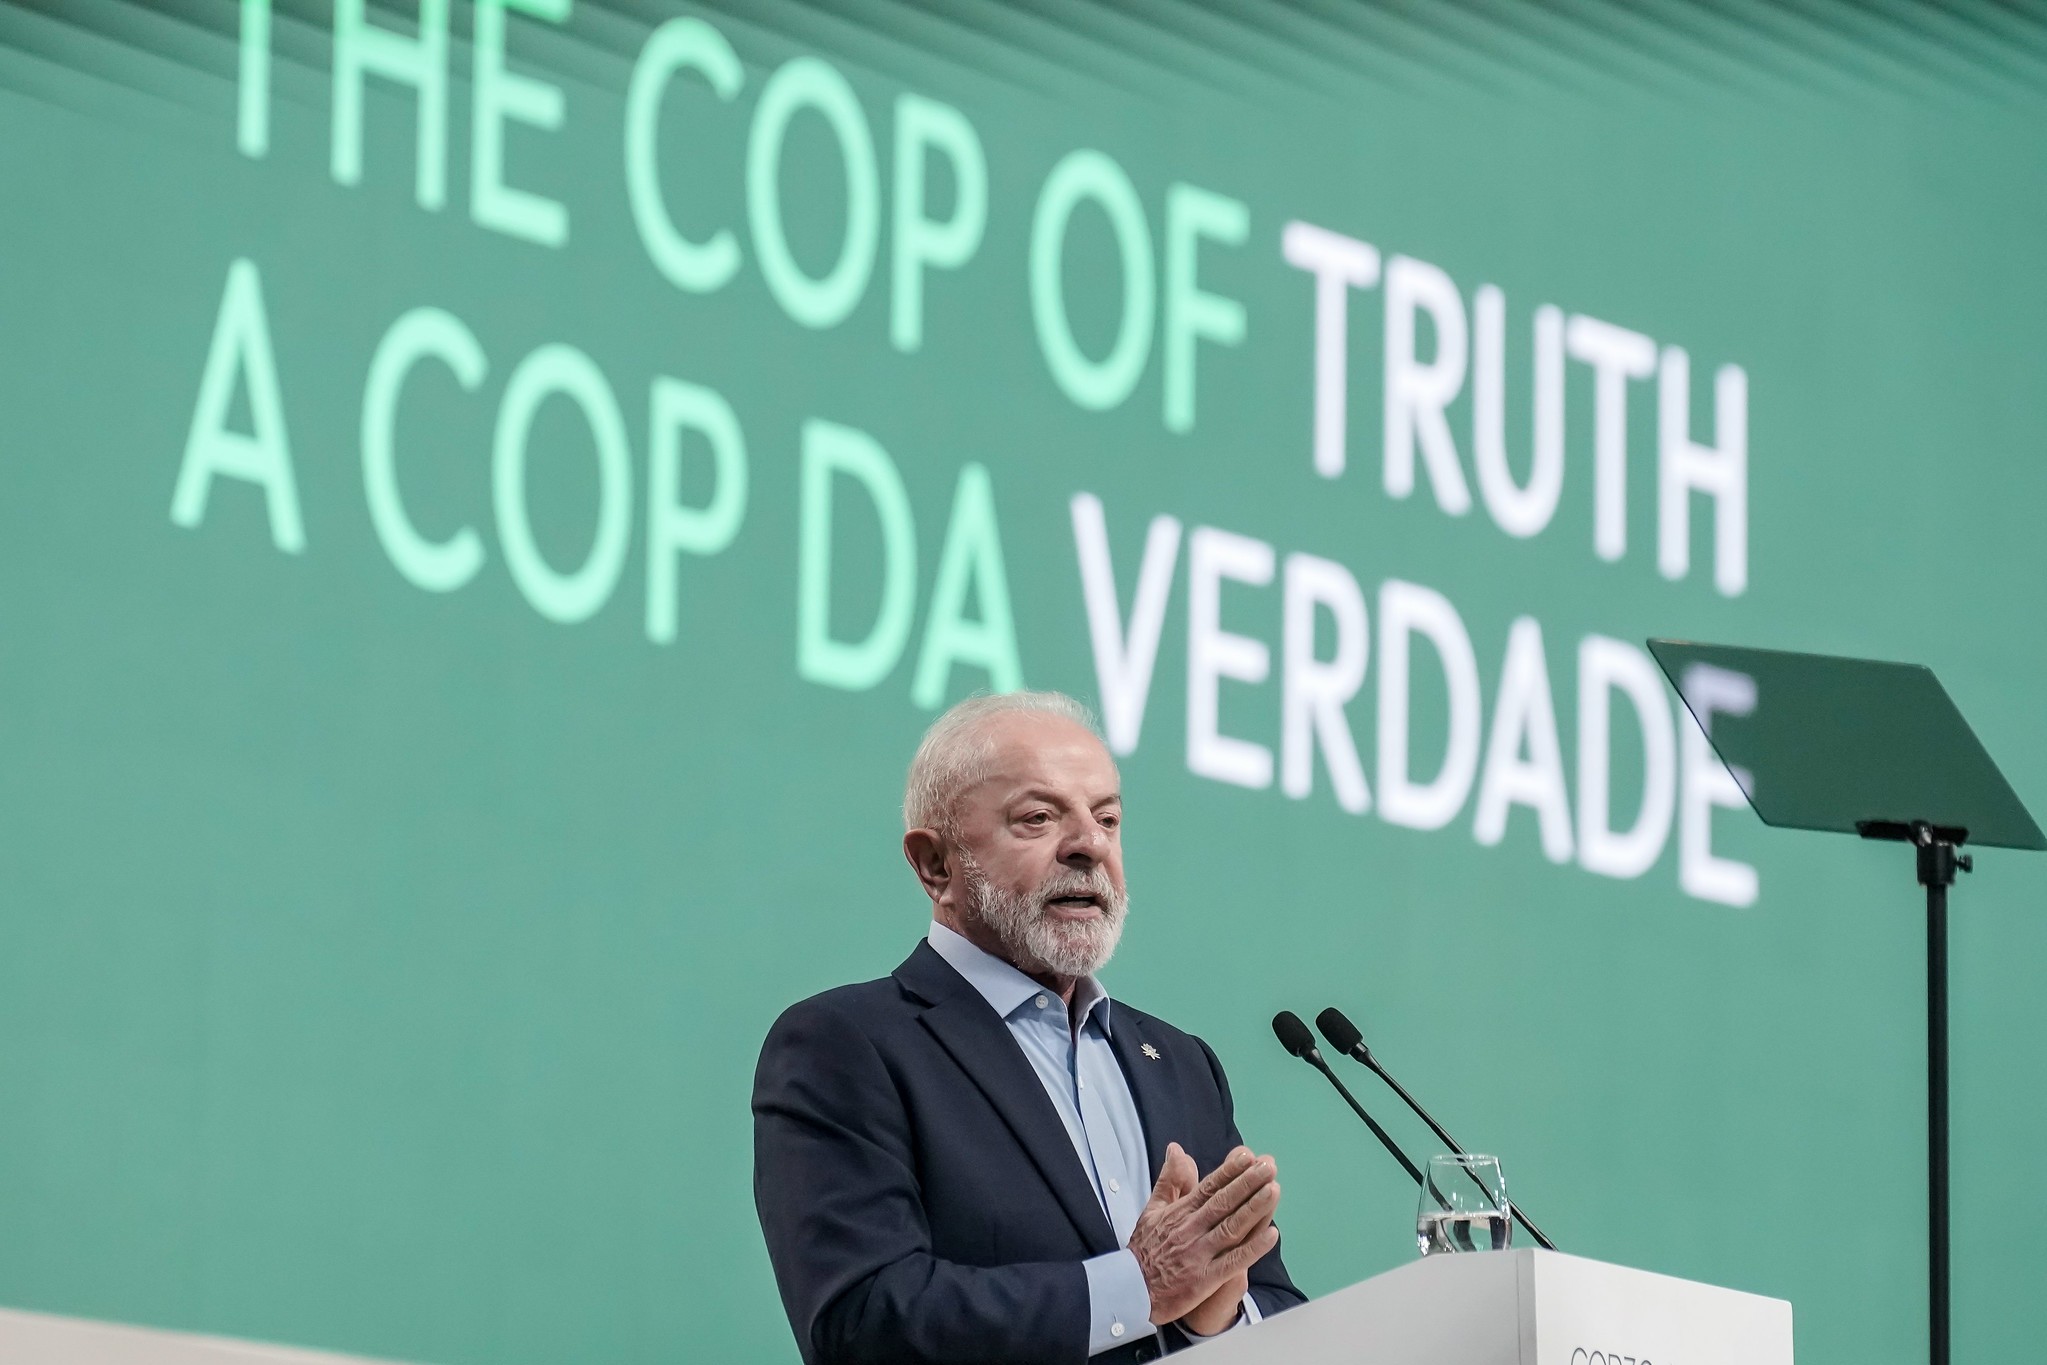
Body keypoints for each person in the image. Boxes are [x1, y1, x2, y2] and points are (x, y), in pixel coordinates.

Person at [754, 691, 1304, 1365]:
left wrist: (1212, 1321)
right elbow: (864, 1320)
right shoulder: (847, 1045)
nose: (1089, 845)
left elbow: (1273, 1303)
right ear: (934, 863)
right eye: (1039, 817)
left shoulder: (1180, 1063)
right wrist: (1139, 1285)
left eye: (1107, 817)